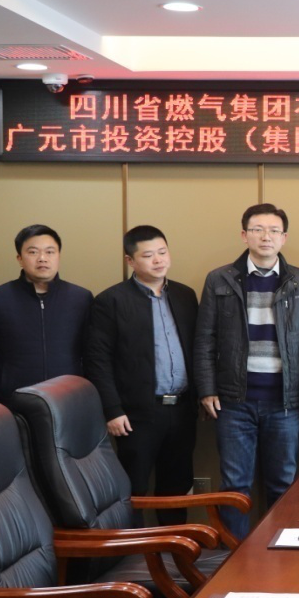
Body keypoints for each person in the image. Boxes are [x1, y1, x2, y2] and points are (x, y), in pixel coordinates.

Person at [193, 203, 299, 539]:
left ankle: (281, 553)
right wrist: (207, 388)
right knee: (235, 486)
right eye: (258, 229)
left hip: (285, 402)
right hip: (234, 401)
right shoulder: (219, 279)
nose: (266, 237)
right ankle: (232, 557)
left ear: (284, 238)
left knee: (283, 483)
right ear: (244, 234)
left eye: (274, 231)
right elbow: (205, 339)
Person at [85, 225, 199, 526]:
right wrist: (112, 409)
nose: (158, 260)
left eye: (162, 252)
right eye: (148, 255)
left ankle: (176, 548)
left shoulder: (185, 296)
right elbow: (97, 361)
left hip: (182, 409)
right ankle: (134, 550)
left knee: (177, 486)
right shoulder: (111, 301)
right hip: (137, 413)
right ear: (130, 261)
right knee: (133, 488)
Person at [0, 224, 92, 404]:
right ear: (20, 259)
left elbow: (92, 356)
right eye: (33, 252)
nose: (42, 258)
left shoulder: (81, 298)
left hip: (69, 402)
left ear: (59, 256)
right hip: (14, 403)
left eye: (50, 252)